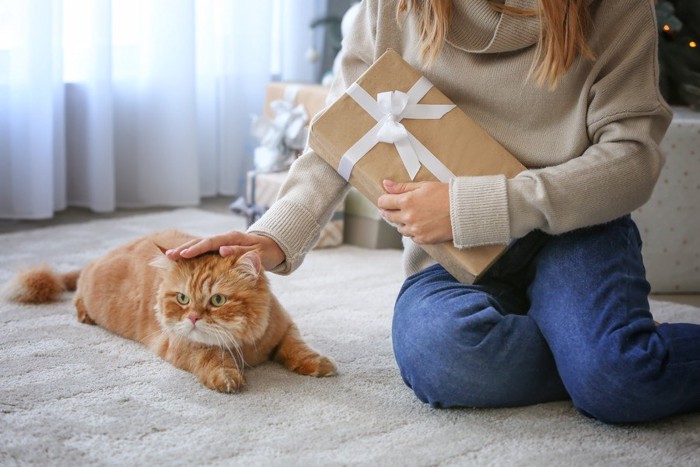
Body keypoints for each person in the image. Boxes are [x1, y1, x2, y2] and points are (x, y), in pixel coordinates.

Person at [167, 0, 700, 424]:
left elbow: (632, 157)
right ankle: (592, 343)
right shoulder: (391, 6)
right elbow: (342, 136)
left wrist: (486, 206)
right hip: (448, 257)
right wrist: (273, 237)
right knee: (443, 359)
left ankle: (602, 353)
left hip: (576, 235)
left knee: (622, 381)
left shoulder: (617, 6)